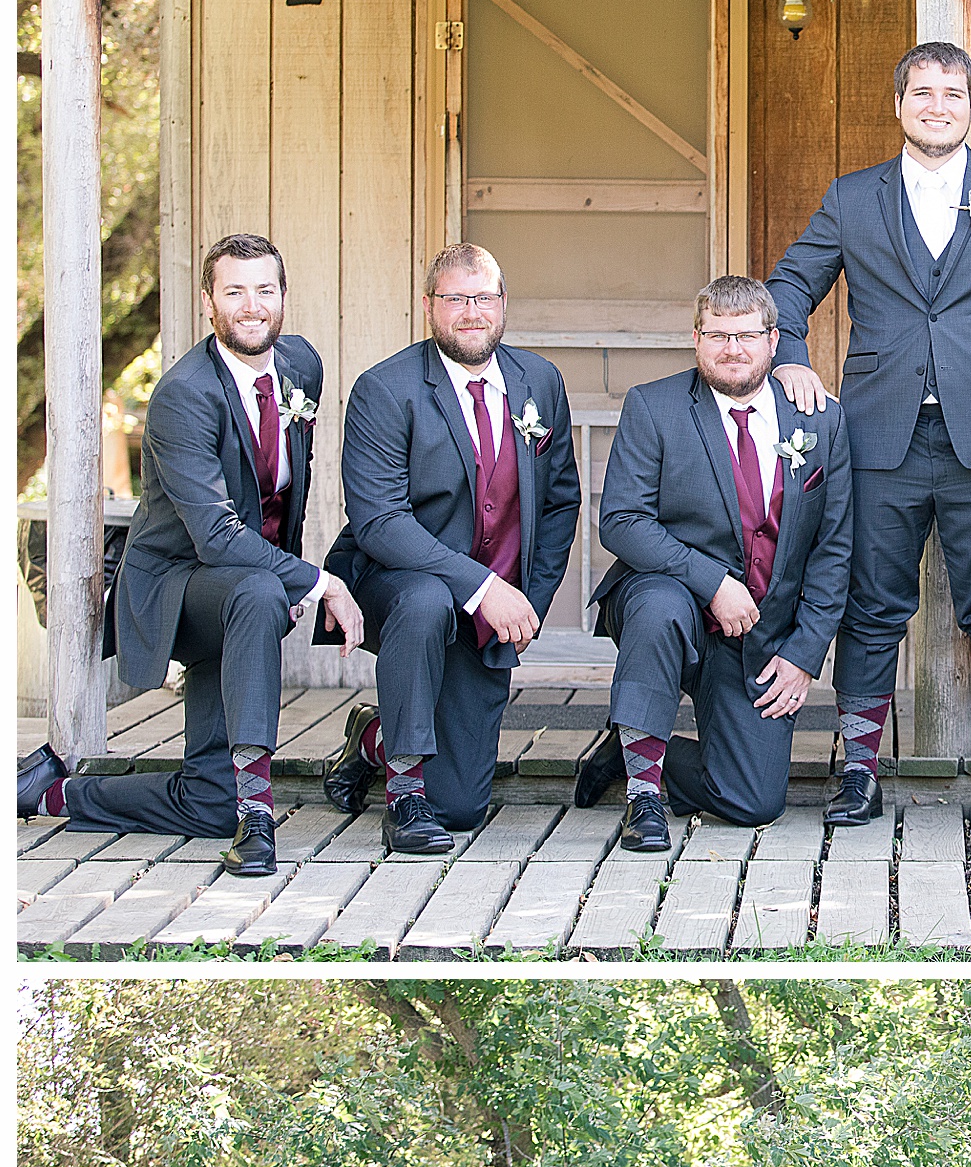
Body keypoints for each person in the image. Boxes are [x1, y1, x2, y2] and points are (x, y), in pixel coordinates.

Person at [766, 41, 971, 829]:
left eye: (953, 92)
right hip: (880, 433)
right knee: (872, 603)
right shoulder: (852, 198)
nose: (937, 104)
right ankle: (856, 768)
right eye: (922, 91)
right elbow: (788, 284)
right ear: (899, 105)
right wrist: (790, 358)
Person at [19, 234, 363, 875]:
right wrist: (317, 583)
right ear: (209, 301)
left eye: (265, 290)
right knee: (258, 591)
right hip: (179, 589)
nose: (251, 306)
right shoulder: (184, 395)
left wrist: (283, 578)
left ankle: (52, 791)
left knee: (209, 803)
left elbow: (283, 494)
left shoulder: (301, 367)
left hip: (242, 593)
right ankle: (258, 815)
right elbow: (216, 538)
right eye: (234, 291)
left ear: (283, 297)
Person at [570, 277, 852, 848]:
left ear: (774, 341)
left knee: (753, 800)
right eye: (718, 334)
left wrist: (803, 653)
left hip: (758, 635)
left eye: (746, 334)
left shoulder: (820, 422)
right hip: (671, 603)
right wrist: (712, 582)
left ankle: (632, 748)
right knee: (660, 605)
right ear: (697, 340)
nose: (732, 348)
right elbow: (621, 521)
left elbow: (834, 547)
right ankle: (644, 797)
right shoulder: (656, 406)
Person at [318, 243, 581, 852]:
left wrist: (528, 600)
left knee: (461, 807)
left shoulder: (538, 380)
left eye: (482, 297)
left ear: (503, 304)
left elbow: (560, 500)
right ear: (429, 307)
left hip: (491, 606)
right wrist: (484, 588)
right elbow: (379, 520)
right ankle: (404, 795)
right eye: (454, 299)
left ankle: (375, 737)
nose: (470, 312)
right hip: (394, 583)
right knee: (427, 598)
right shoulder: (385, 389)